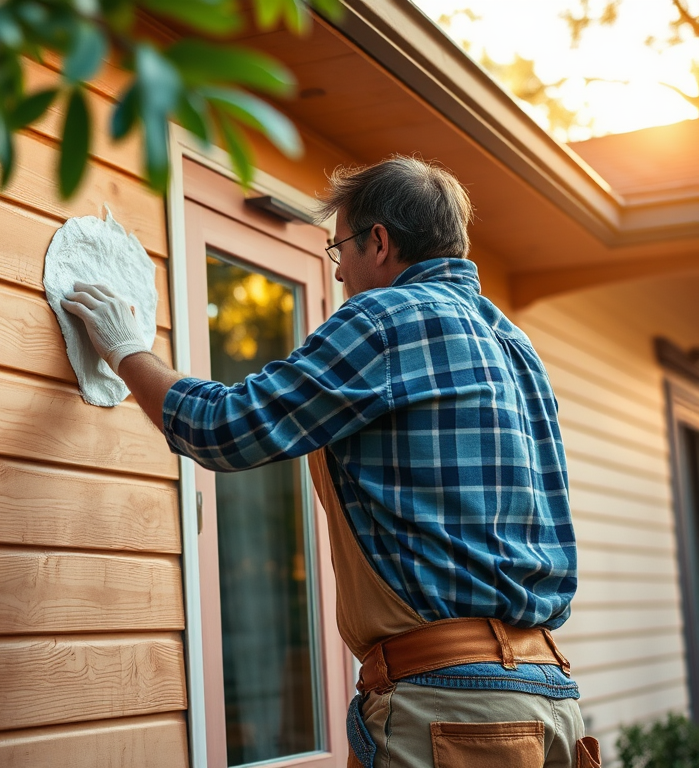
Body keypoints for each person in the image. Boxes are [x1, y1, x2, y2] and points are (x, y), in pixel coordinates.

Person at [62, 156, 601, 768]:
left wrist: (128, 350)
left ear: (379, 242)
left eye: (338, 247)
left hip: (454, 708)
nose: (339, 270)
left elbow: (226, 429)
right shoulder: (516, 346)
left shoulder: (386, 318)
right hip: (548, 698)